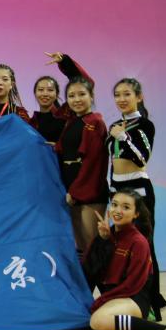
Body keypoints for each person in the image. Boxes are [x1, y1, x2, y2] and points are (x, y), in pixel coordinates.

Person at [82, 191, 166, 330]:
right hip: (114, 297)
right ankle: (132, 325)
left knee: (98, 321)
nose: (118, 210)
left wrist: (101, 301)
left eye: (126, 207)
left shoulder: (139, 242)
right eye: (114, 205)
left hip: (133, 298)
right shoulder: (106, 235)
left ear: (136, 214)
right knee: (94, 319)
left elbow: (133, 285)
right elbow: (90, 272)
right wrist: (103, 241)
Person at [106, 77, 166, 317]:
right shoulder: (114, 126)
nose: (121, 99)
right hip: (117, 190)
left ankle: (152, 304)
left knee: (144, 246)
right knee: (120, 245)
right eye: (117, 95)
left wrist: (123, 137)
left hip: (139, 191)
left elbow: (141, 159)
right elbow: (112, 162)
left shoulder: (145, 125)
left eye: (127, 94)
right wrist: (111, 189)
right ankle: (126, 298)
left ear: (139, 97)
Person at [55, 73, 108, 254]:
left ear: (91, 96)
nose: (76, 99)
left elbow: (94, 162)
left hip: (89, 193)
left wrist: (76, 192)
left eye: (82, 94)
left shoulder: (95, 123)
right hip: (72, 192)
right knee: (81, 248)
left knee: (92, 247)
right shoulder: (71, 122)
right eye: (71, 96)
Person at [30, 52, 94, 145]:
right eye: (40, 90)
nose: (45, 93)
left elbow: (85, 83)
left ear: (57, 94)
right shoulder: (30, 124)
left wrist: (64, 61)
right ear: (35, 93)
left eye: (50, 90)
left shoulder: (66, 114)